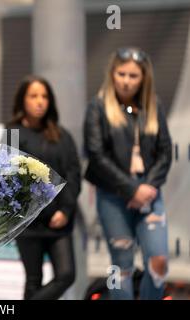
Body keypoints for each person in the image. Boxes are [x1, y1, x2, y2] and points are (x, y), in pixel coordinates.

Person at [84, 47, 172, 300]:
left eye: (133, 75)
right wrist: (131, 189)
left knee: (158, 262)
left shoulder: (154, 105)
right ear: (112, 74)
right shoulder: (98, 107)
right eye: (121, 73)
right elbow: (96, 155)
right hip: (113, 195)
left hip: (150, 192)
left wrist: (147, 188)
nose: (126, 80)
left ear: (144, 77)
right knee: (121, 266)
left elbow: (165, 153)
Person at [6, 75, 81, 300]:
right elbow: (10, 177)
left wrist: (65, 211)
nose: (40, 101)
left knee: (66, 274)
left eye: (44, 96)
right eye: (33, 96)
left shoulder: (62, 135)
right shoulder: (13, 133)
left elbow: (73, 174)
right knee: (33, 281)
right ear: (23, 101)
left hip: (59, 221)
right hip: (28, 221)